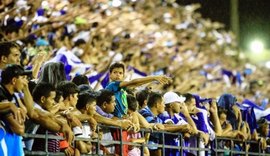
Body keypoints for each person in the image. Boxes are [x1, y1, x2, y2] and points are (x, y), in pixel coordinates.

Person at [0, 64, 30, 156]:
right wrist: (10, 106)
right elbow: (19, 129)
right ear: (14, 80)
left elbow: (27, 112)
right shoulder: (1, 94)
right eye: (23, 78)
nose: (25, 82)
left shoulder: (13, 96)